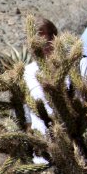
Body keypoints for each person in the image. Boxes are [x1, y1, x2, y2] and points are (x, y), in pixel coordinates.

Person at [24, 17, 57, 165]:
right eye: (34, 42)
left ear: (54, 39)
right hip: (41, 157)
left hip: (74, 150)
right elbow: (26, 120)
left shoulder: (72, 67)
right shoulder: (27, 72)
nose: (39, 47)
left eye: (42, 40)